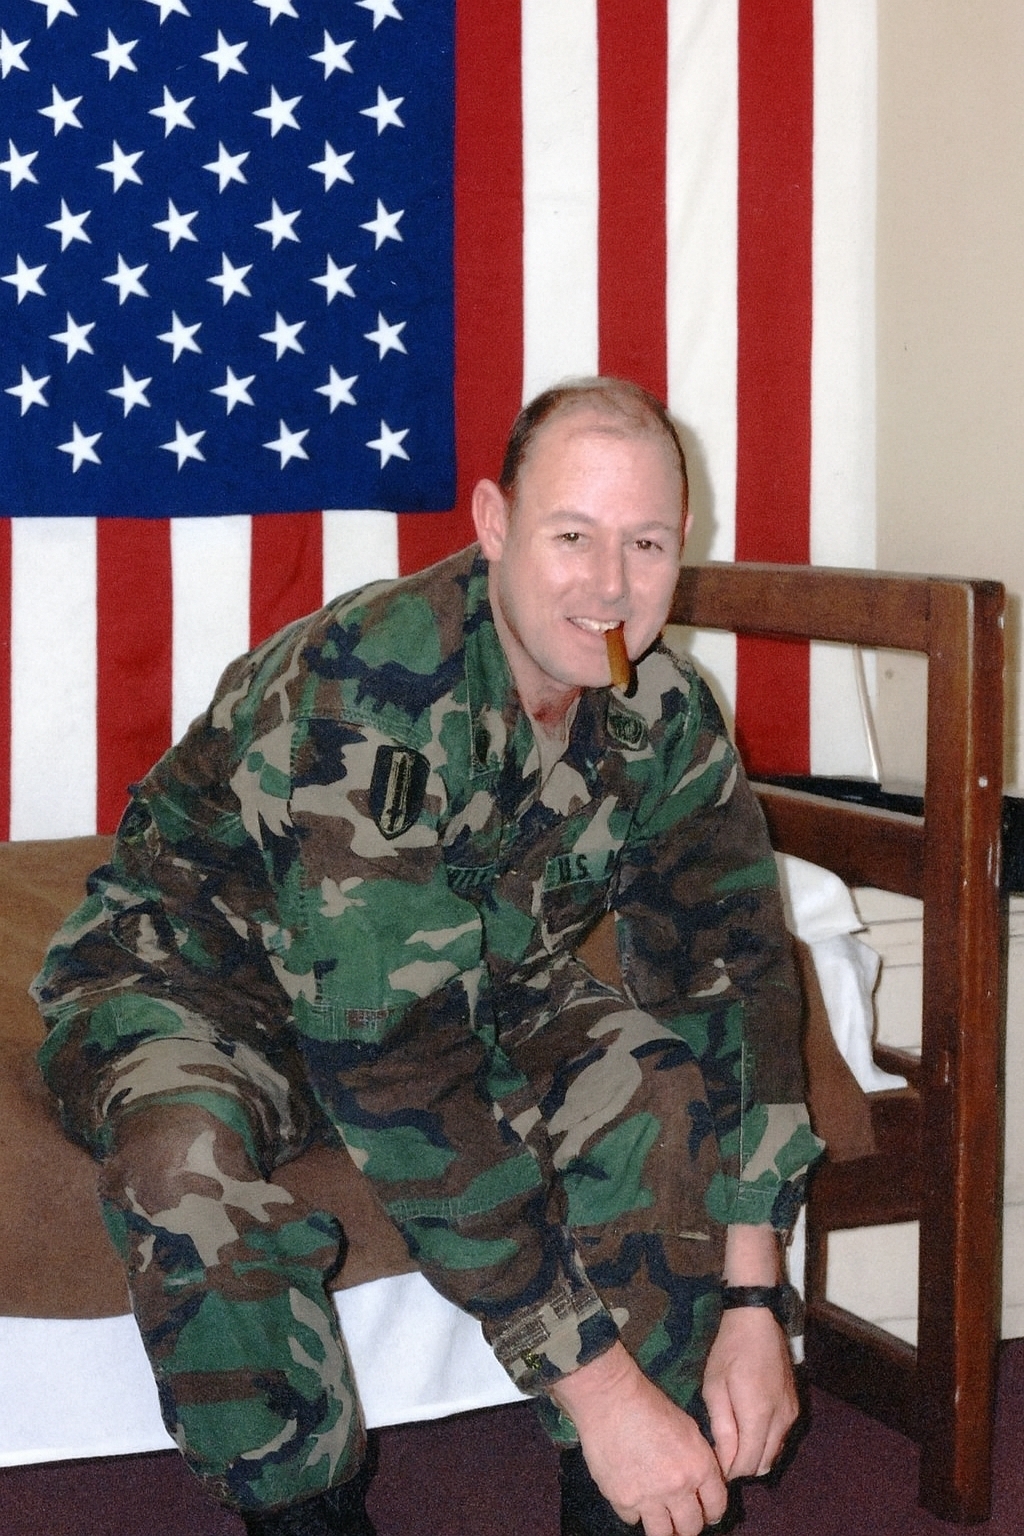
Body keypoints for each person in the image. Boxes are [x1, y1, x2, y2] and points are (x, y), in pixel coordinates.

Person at [33, 377, 821, 1536]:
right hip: (203, 994)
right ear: (495, 523)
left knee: (651, 1085)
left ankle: (629, 1508)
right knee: (183, 1173)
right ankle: (308, 1513)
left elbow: (734, 981)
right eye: (571, 536)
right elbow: (396, 1069)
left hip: (474, 983)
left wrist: (753, 1296)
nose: (609, 586)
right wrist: (600, 1389)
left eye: (645, 543)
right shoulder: (369, 696)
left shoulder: (660, 706)